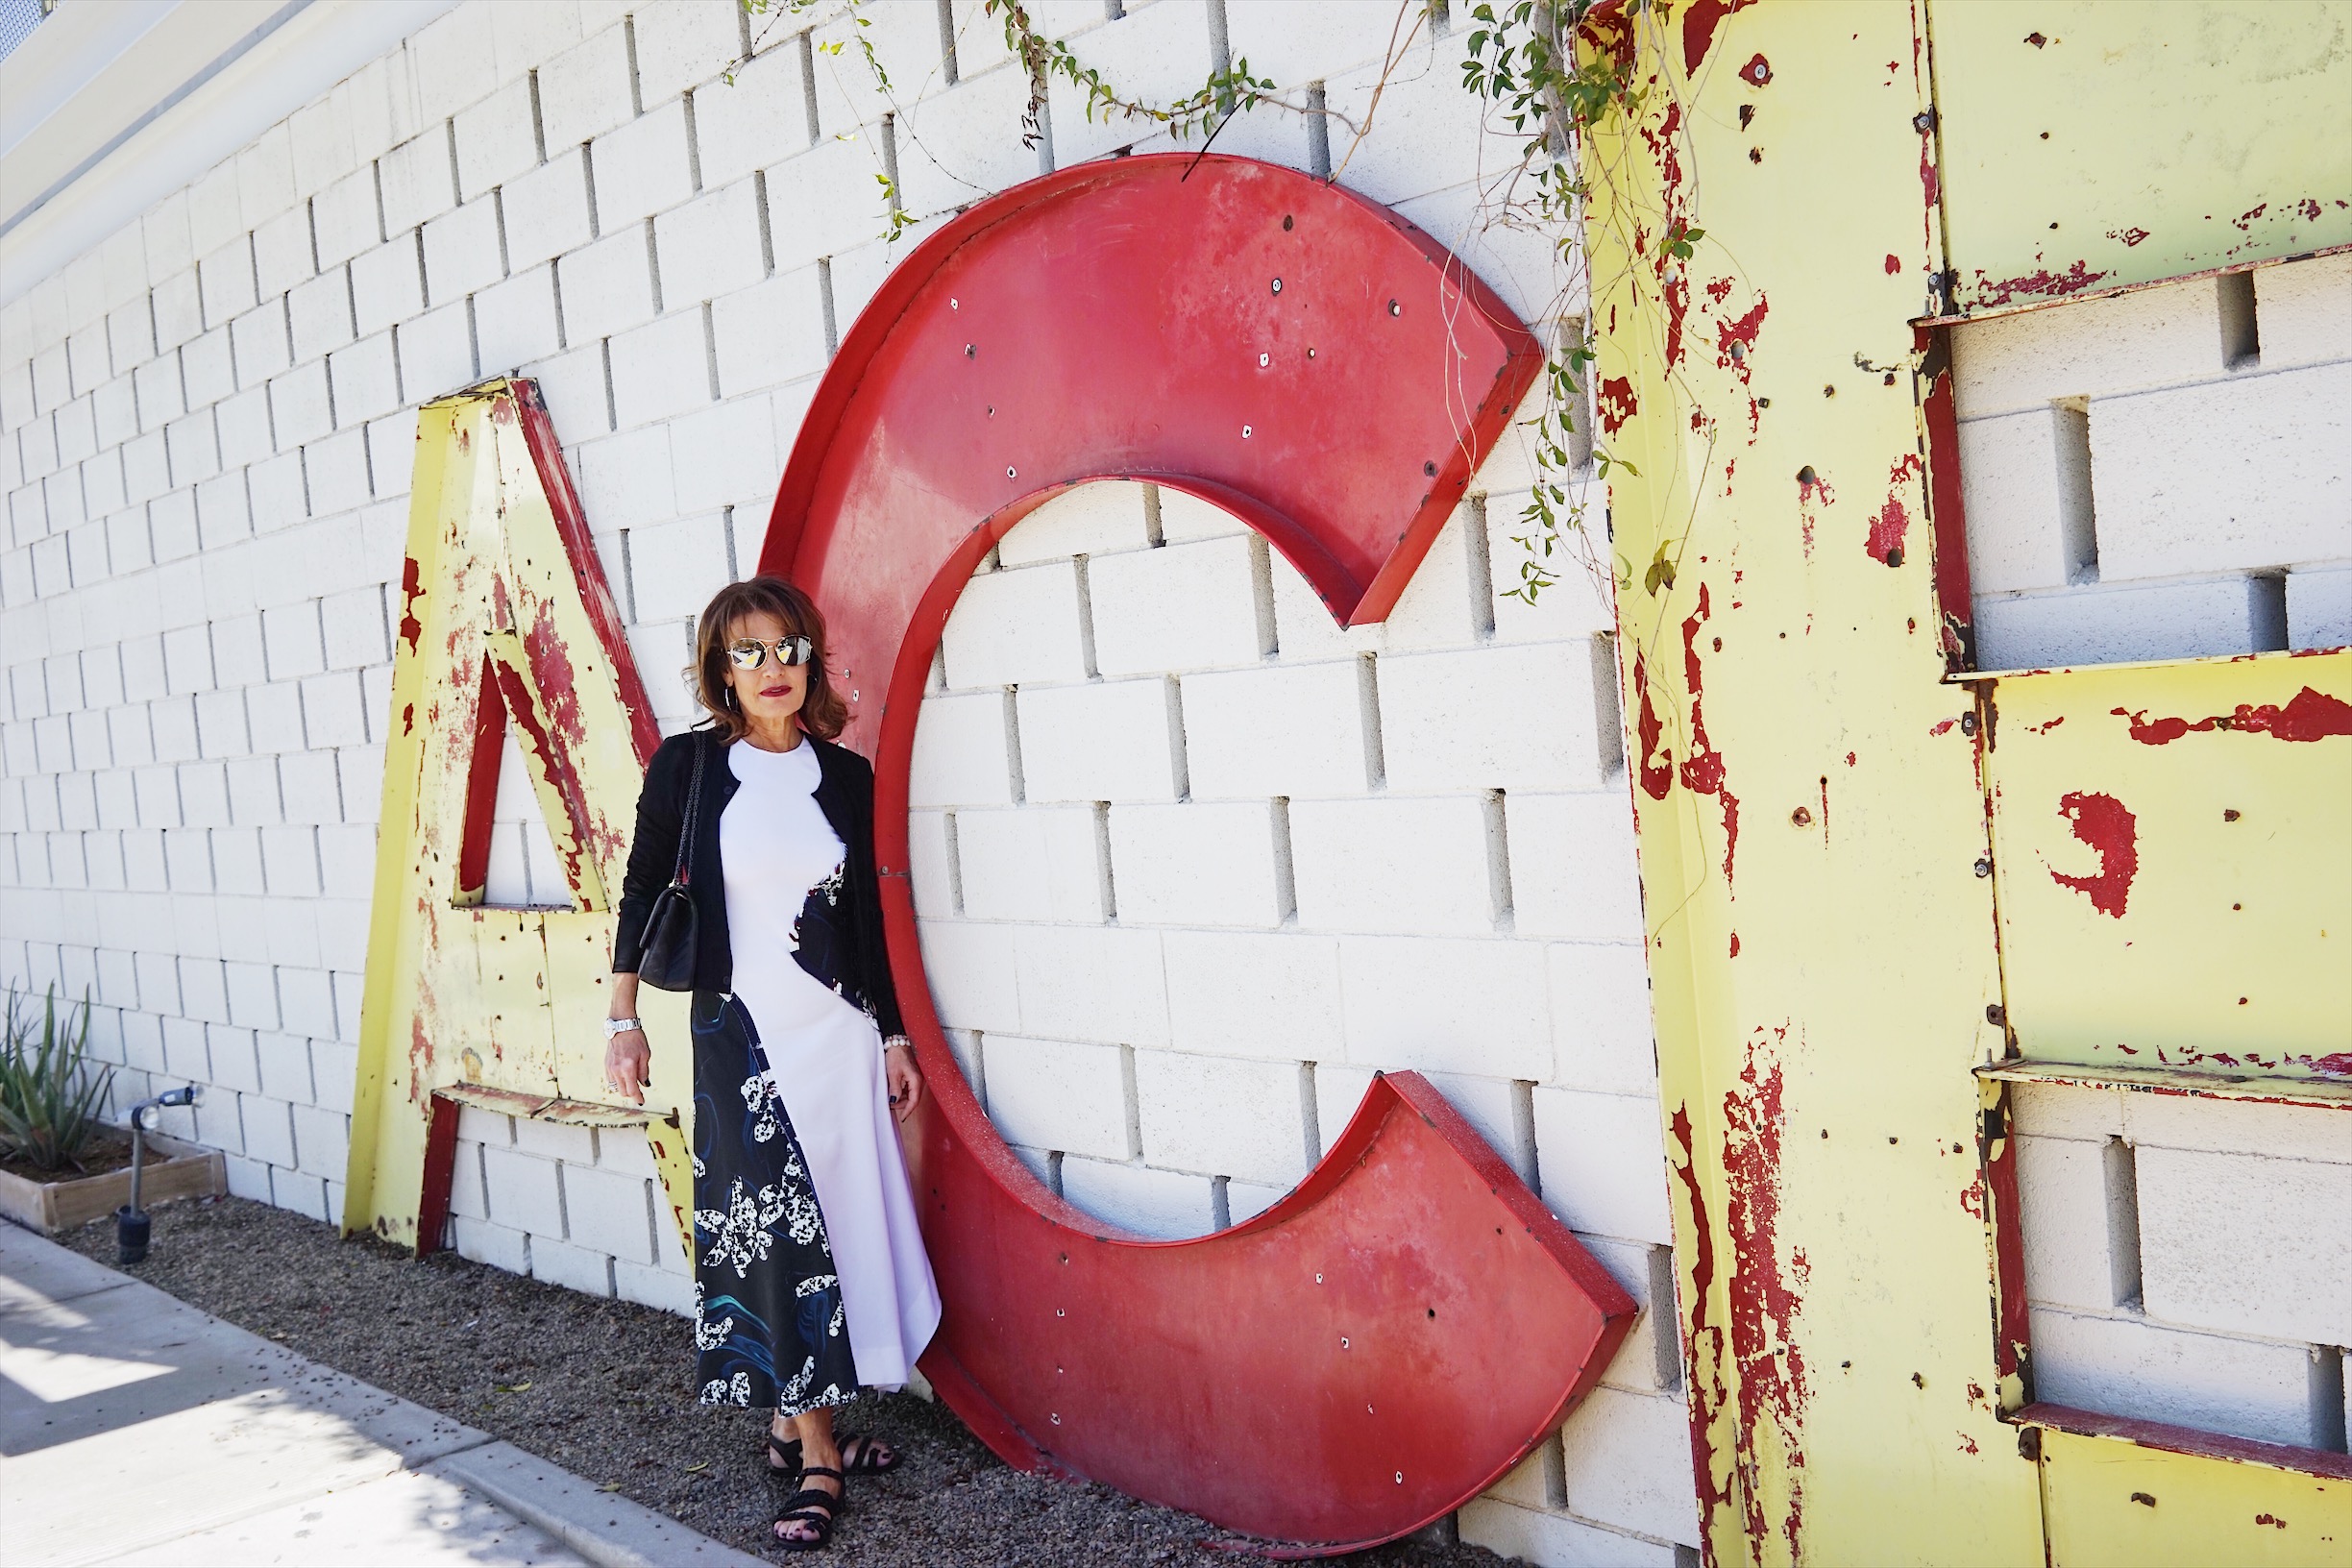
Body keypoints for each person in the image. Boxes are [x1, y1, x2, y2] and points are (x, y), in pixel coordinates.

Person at [602, 576, 941, 1551]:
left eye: (787, 647)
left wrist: (889, 1035)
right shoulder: (689, 769)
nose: (772, 669)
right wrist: (622, 1018)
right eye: (746, 652)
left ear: (810, 657)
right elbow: (640, 892)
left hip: (836, 1037)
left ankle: (792, 1424)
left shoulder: (847, 777)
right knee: (775, 1234)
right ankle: (820, 1457)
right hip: (740, 1033)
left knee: (838, 1220)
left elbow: (868, 918)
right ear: (719, 668)